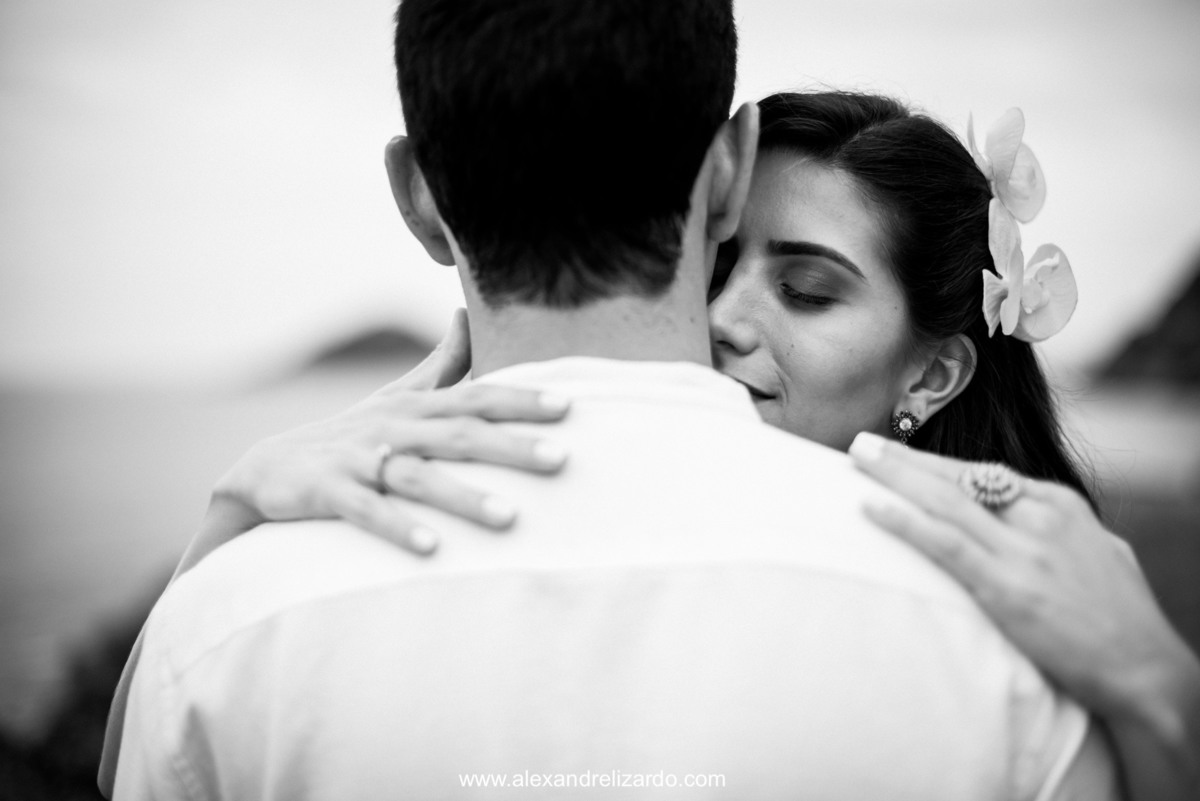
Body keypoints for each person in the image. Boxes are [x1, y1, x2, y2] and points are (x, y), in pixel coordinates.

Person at [107, 2, 1121, 798]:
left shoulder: (229, 629)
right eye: (731, 266)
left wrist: (232, 548)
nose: (733, 320)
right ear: (726, 174)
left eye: (810, 290)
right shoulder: (995, 650)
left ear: (418, 193)